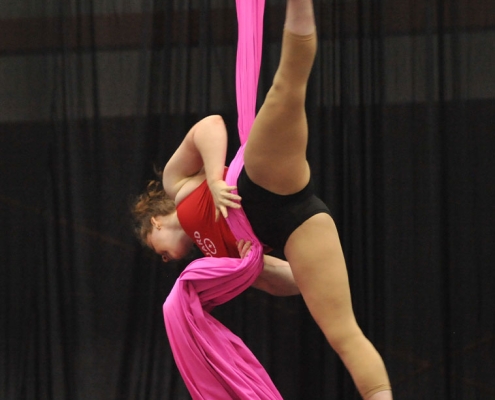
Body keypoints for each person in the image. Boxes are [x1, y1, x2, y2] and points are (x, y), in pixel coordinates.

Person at [132, 0, 392, 398]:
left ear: (154, 222)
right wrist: (261, 270)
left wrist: (214, 178)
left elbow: (210, 127)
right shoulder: (215, 262)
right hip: (294, 221)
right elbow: (285, 281)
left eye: (155, 249)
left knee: (287, 88)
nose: (164, 259)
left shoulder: (176, 185)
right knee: (342, 333)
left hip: (256, 177)